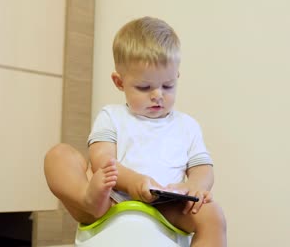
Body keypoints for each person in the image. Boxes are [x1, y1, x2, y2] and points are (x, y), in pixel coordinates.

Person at [44, 16, 227, 246]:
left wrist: (195, 187)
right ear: (119, 82)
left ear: (177, 77)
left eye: (168, 85)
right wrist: (133, 183)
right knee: (58, 156)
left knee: (214, 216)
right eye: (144, 87)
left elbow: (203, 168)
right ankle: (86, 199)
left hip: (166, 205)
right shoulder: (112, 116)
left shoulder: (187, 126)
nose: (158, 94)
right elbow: (102, 160)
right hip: (110, 201)